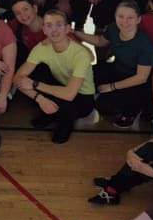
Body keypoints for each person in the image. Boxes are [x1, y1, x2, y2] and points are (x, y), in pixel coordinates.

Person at [14, 8, 96, 144]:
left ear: (67, 29)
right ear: (44, 30)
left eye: (59, 25)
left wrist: (35, 85)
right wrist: (39, 98)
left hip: (82, 97)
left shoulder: (80, 54)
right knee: (36, 73)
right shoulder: (41, 48)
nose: (54, 30)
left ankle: (64, 123)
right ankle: (51, 112)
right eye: (49, 25)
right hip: (61, 86)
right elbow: (18, 79)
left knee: (65, 102)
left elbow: (69, 94)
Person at [81, 0, 153, 129]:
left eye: (130, 18)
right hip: (117, 69)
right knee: (85, 74)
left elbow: (141, 77)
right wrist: (74, 32)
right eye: (120, 16)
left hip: (136, 82)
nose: (124, 21)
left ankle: (131, 110)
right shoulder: (113, 28)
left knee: (104, 106)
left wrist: (111, 87)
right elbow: (100, 41)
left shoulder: (144, 45)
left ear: (138, 19)